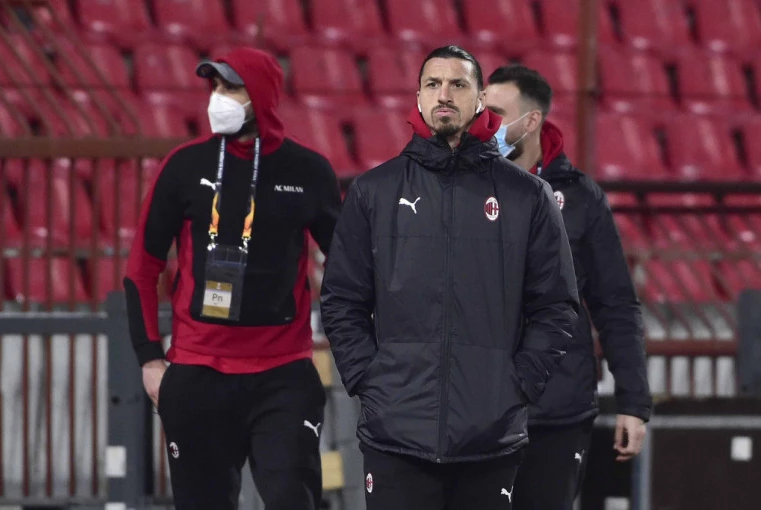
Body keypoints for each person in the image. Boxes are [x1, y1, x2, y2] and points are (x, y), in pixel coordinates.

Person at [319, 45, 580, 510]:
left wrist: (517, 384)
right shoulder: (374, 192)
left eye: (458, 84)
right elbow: (342, 300)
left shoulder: (528, 196)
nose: (444, 94)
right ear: (418, 98)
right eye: (433, 84)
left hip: (490, 436)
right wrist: (369, 379)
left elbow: (556, 306)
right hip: (395, 432)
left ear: (480, 99)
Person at [123, 47, 341, 510]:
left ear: (260, 94)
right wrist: (149, 359)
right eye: (215, 86)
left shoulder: (309, 171)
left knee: (291, 500)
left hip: (283, 374)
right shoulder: (184, 166)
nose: (217, 97)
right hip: (197, 374)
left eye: (231, 87)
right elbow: (141, 267)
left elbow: (349, 266)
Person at [485, 64, 652, 510]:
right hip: (476, 412)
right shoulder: (460, 188)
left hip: (558, 412)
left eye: (497, 114)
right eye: (482, 112)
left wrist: (633, 401)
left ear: (532, 121)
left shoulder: (581, 198)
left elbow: (615, 303)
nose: (485, 124)